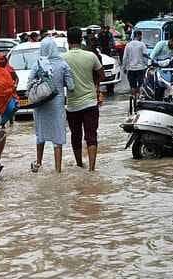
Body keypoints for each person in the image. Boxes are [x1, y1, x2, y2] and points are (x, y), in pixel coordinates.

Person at [27, 38, 74, 173]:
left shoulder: (37, 64)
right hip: (57, 105)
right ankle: (58, 169)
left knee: (40, 134)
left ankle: (39, 164)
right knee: (57, 137)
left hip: (40, 104)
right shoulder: (63, 65)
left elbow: (29, 84)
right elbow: (71, 86)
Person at [62, 27, 104, 172]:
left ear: (68, 40)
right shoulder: (91, 56)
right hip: (90, 103)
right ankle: (92, 169)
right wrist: (95, 87)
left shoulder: (63, 58)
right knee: (91, 136)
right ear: (81, 39)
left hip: (72, 105)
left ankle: (79, 164)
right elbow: (101, 74)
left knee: (76, 136)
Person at [122, 30, 148, 97]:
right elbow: (145, 55)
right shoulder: (142, 44)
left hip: (131, 69)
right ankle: (139, 98)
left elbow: (125, 57)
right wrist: (147, 65)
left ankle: (133, 98)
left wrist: (124, 67)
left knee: (132, 86)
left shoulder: (128, 44)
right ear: (139, 36)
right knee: (140, 85)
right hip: (140, 68)